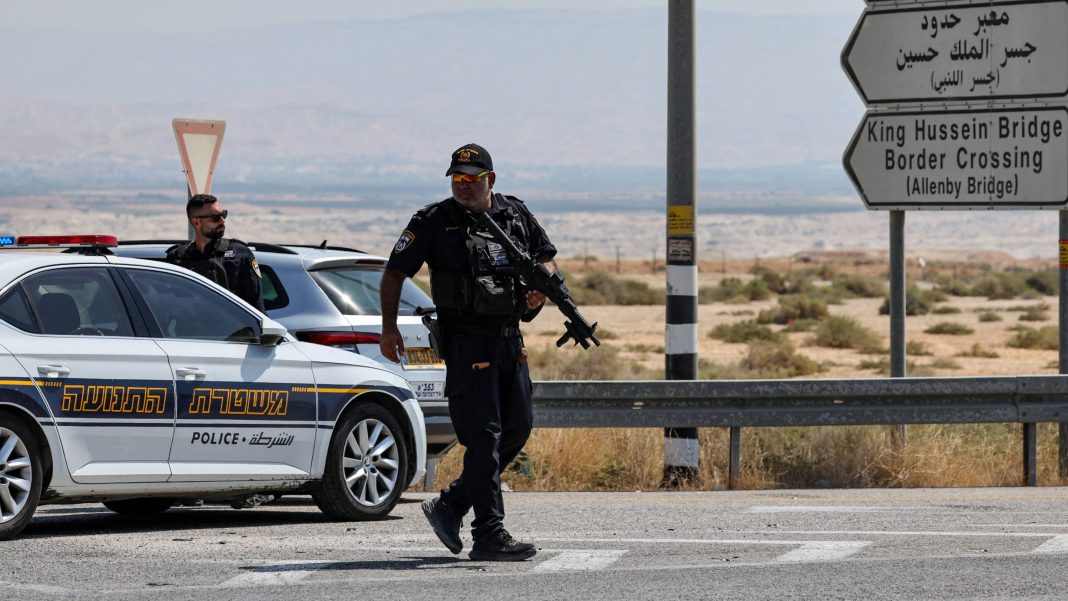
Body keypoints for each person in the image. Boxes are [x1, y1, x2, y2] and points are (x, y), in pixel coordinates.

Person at [379, 143, 557, 562]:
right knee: (484, 437)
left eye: (472, 179)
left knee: (517, 430)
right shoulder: (433, 221)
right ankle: (489, 534)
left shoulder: (514, 213)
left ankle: (452, 504)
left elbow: (547, 258)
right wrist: (389, 329)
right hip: (466, 341)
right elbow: (393, 273)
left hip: (510, 339)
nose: (463, 186)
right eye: (457, 179)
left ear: (490, 180)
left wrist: (540, 290)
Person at [166, 194, 265, 311]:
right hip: (188, 327)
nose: (222, 221)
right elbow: (169, 304)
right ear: (196, 222)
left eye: (223, 215)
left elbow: (256, 305)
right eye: (215, 217)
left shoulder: (240, 254)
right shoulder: (177, 256)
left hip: (231, 328)